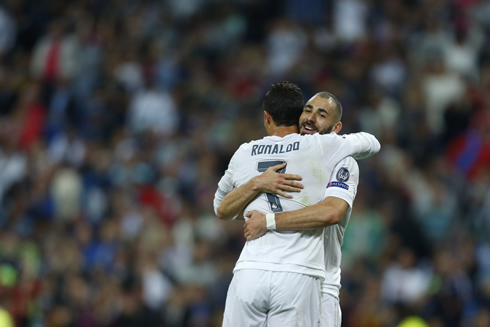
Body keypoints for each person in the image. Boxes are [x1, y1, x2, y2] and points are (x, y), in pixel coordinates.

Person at [213, 81, 380, 326]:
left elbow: (332, 212)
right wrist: (257, 187)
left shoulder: (342, 161)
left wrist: (267, 220)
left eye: (321, 115)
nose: (311, 118)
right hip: (290, 276)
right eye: (308, 110)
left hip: (320, 284)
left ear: (336, 128)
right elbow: (223, 209)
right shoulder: (302, 151)